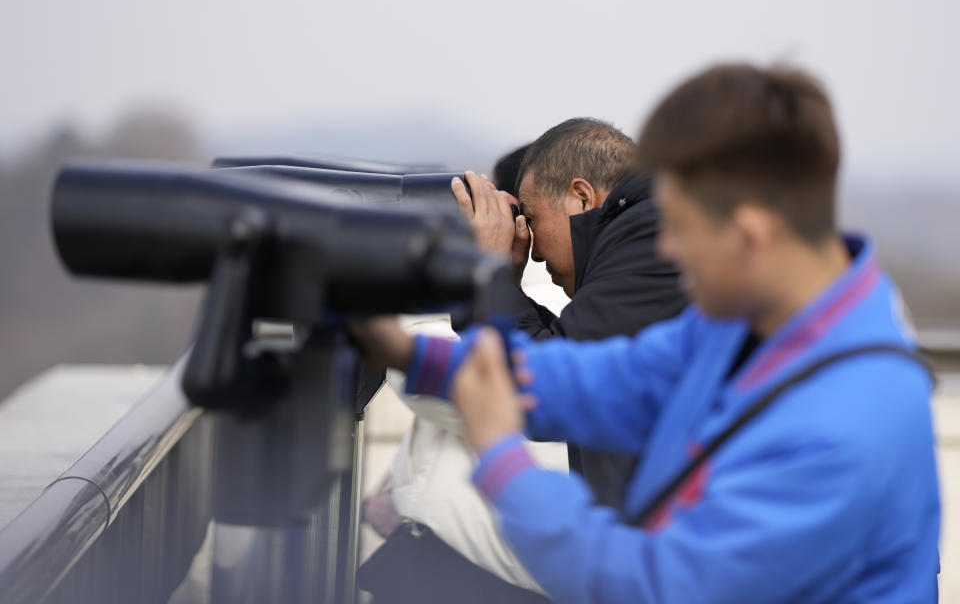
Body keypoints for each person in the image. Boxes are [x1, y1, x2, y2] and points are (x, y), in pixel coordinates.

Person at [353, 63, 940, 602]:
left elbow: (653, 584)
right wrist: (411, 353)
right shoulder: (751, 323)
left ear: (750, 232)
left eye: (678, 227)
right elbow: (605, 381)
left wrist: (504, 463)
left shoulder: (841, 426)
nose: (664, 248)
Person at [452, 119, 686, 508]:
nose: (536, 252)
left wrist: (486, 273)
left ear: (580, 197)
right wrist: (504, 286)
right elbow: (565, 357)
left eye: (534, 218)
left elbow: (542, 391)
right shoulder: (646, 231)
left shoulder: (651, 236)